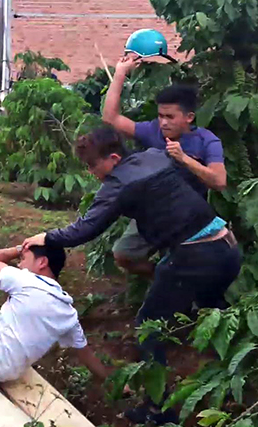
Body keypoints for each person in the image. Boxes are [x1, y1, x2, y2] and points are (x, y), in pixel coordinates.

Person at [22, 127, 240, 367]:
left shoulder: (119, 183)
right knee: (213, 308)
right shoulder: (156, 156)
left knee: (148, 324)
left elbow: (87, 228)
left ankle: (154, 402)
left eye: (93, 166)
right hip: (226, 245)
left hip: (195, 256)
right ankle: (237, 364)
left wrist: (48, 237)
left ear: (113, 159)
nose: (91, 172)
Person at [102, 53, 227, 278]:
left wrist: (184, 159)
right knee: (123, 254)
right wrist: (120, 73)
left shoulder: (207, 141)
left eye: (170, 117)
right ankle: (163, 276)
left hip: (189, 217)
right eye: (160, 116)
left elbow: (219, 181)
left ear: (189, 117)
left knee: (193, 264)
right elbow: (111, 119)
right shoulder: (153, 131)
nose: (163, 122)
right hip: (152, 212)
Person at [0, 244, 108, 383]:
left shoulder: (29, 282)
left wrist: (18, 248)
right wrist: (113, 381)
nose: (19, 264)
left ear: (42, 263)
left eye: (24, 258)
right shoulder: (68, 314)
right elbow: (86, 355)